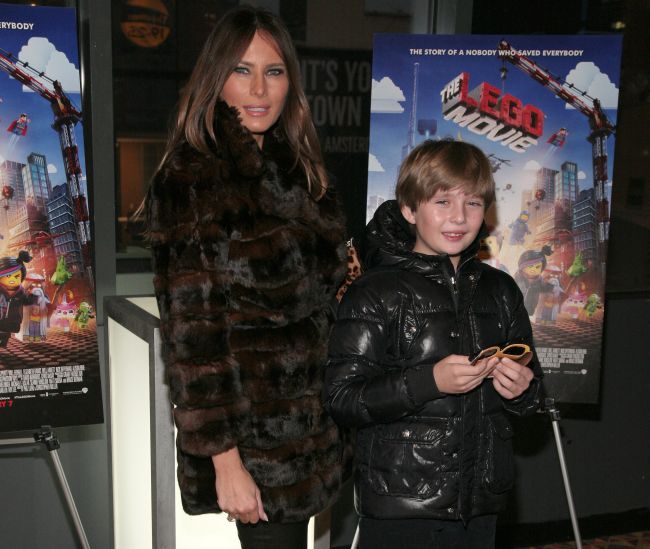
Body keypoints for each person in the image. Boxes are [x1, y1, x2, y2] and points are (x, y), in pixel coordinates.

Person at [146, 6, 350, 549]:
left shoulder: (296, 169)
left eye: (274, 71)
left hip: (312, 425)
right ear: (216, 79)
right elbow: (193, 341)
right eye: (242, 70)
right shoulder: (192, 177)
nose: (259, 88)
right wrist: (226, 463)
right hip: (254, 439)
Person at [324, 139, 543, 549]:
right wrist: (431, 382)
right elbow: (341, 399)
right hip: (400, 504)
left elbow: (534, 395)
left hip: (481, 503)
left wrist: (521, 389)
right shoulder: (375, 292)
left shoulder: (501, 290)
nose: (459, 217)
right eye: (442, 201)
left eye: (473, 203)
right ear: (410, 209)